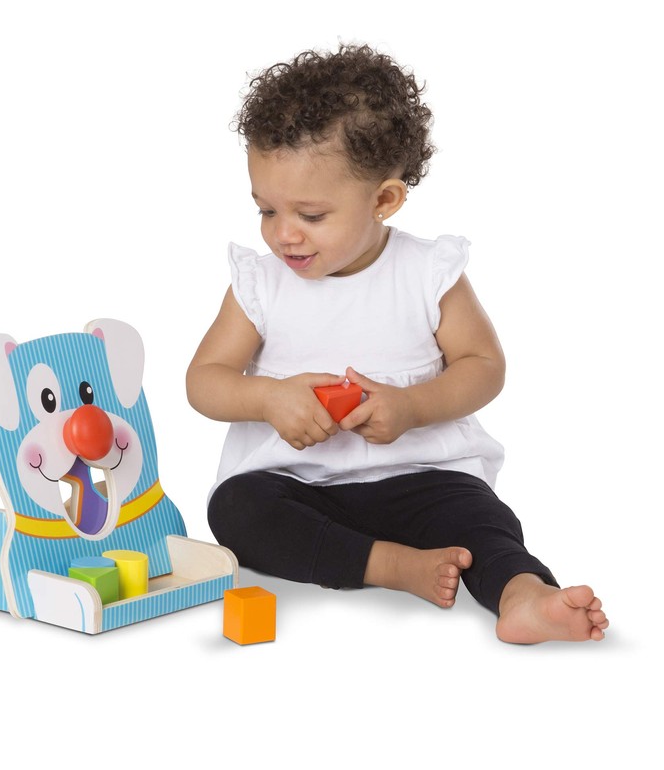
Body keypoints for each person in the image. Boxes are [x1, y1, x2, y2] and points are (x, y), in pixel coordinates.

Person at [186, 44, 608, 643]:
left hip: (422, 478)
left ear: (384, 200)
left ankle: (523, 594)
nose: (283, 234)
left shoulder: (427, 273)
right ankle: (390, 565)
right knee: (237, 510)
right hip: (300, 486)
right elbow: (204, 380)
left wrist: (412, 407)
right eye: (266, 209)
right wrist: (268, 398)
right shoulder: (261, 284)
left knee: (481, 519)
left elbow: (483, 365)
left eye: (311, 215)